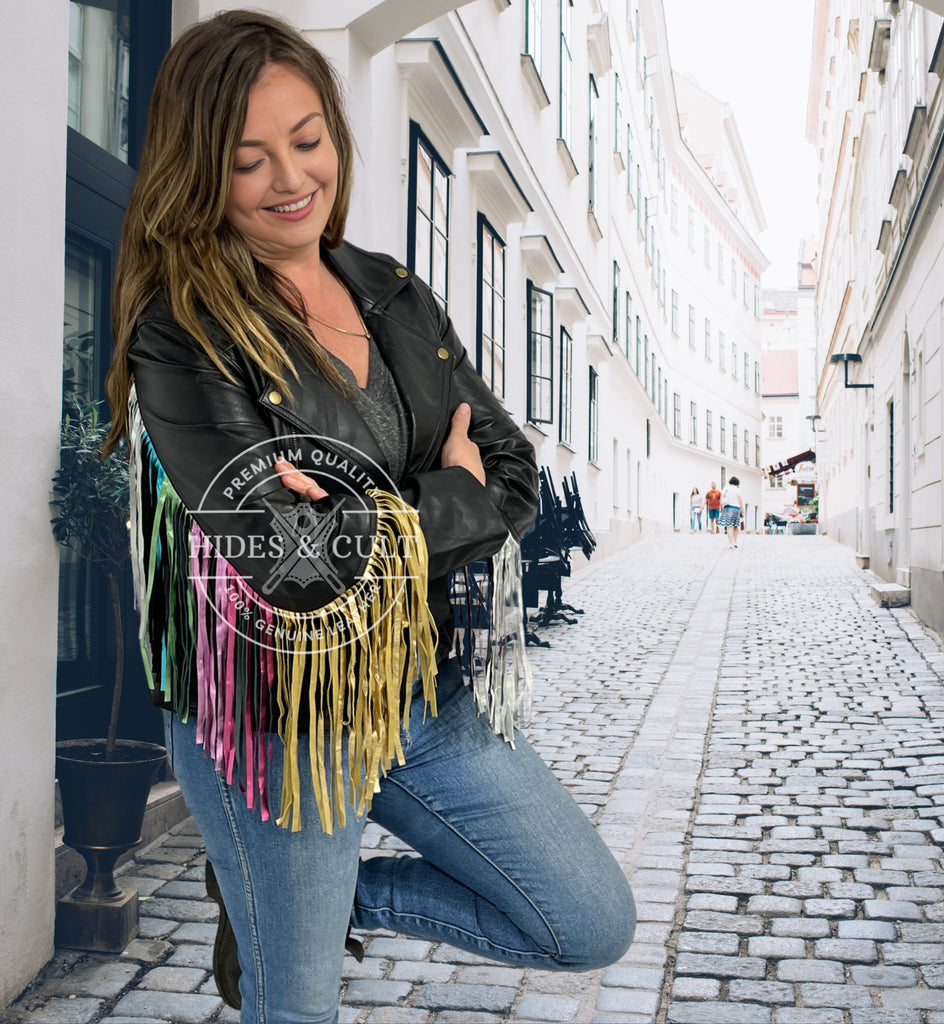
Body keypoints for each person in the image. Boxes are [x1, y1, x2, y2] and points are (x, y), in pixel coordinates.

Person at [103, 12, 634, 1023]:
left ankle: (302, 905)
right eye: (248, 160)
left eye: (307, 140)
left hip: (424, 688)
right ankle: (282, 918)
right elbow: (289, 562)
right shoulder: (183, 332)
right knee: (297, 1007)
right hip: (277, 720)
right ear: (200, 173)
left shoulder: (391, 290)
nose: (290, 178)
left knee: (584, 919)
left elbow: (513, 473)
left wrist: (364, 512)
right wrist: (447, 490)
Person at [720, 476, 745, 549]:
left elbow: (721, 499)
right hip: (736, 508)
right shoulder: (738, 490)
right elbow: (740, 501)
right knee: (736, 526)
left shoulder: (726, 488)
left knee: (729, 526)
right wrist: (742, 511)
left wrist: (722, 507)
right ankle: (735, 542)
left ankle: (730, 543)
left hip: (728, 507)